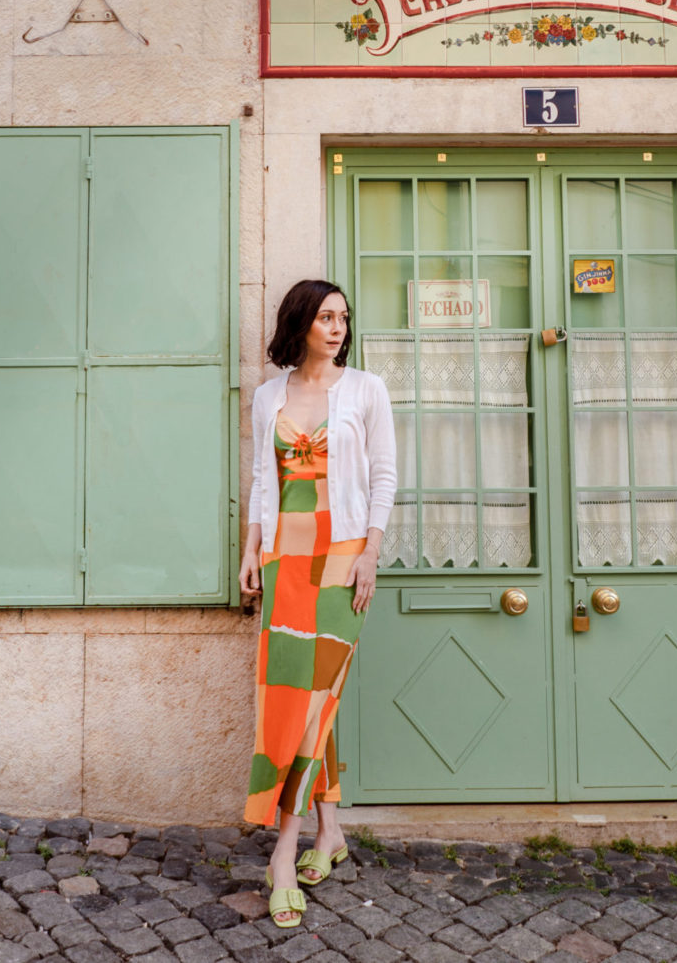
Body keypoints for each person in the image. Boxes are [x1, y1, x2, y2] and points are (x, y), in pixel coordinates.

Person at [240, 279, 396, 928]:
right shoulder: (268, 395)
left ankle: (283, 850)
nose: (337, 327)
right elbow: (261, 477)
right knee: (292, 696)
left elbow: (385, 472)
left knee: (313, 699)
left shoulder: (365, 390)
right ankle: (330, 834)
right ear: (301, 322)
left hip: (343, 557)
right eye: (326, 316)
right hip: (285, 560)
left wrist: (371, 552)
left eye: (344, 318)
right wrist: (251, 548)